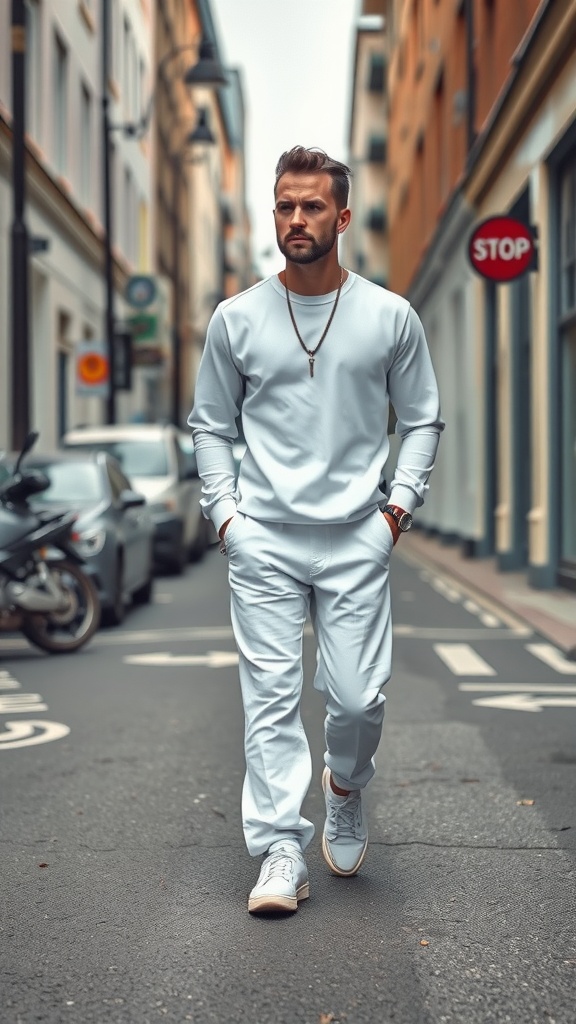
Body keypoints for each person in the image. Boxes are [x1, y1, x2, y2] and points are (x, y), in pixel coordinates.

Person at [188, 146, 444, 915]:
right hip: (262, 536)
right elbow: (209, 424)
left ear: (339, 215)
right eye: (283, 206)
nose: (295, 219)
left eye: (309, 206)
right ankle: (277, 851)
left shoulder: (389, 316)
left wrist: (395, 511)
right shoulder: (235, 319)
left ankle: (344, 786)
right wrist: (227, 516)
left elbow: (424, 418)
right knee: (269, 698)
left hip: (357, 536)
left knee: (358, 701)